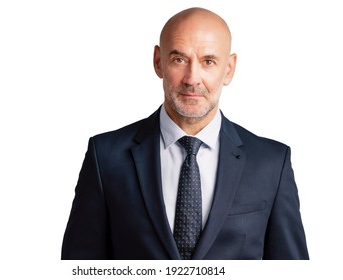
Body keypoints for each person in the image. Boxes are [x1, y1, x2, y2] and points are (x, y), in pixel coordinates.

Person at [61, 7, 309, 260]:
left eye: (208, 61)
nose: (192, 78)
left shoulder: (271, 163)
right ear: (158, 61)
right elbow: (79, 266)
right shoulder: (106, 156)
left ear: (229, 69)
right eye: (179, 59)